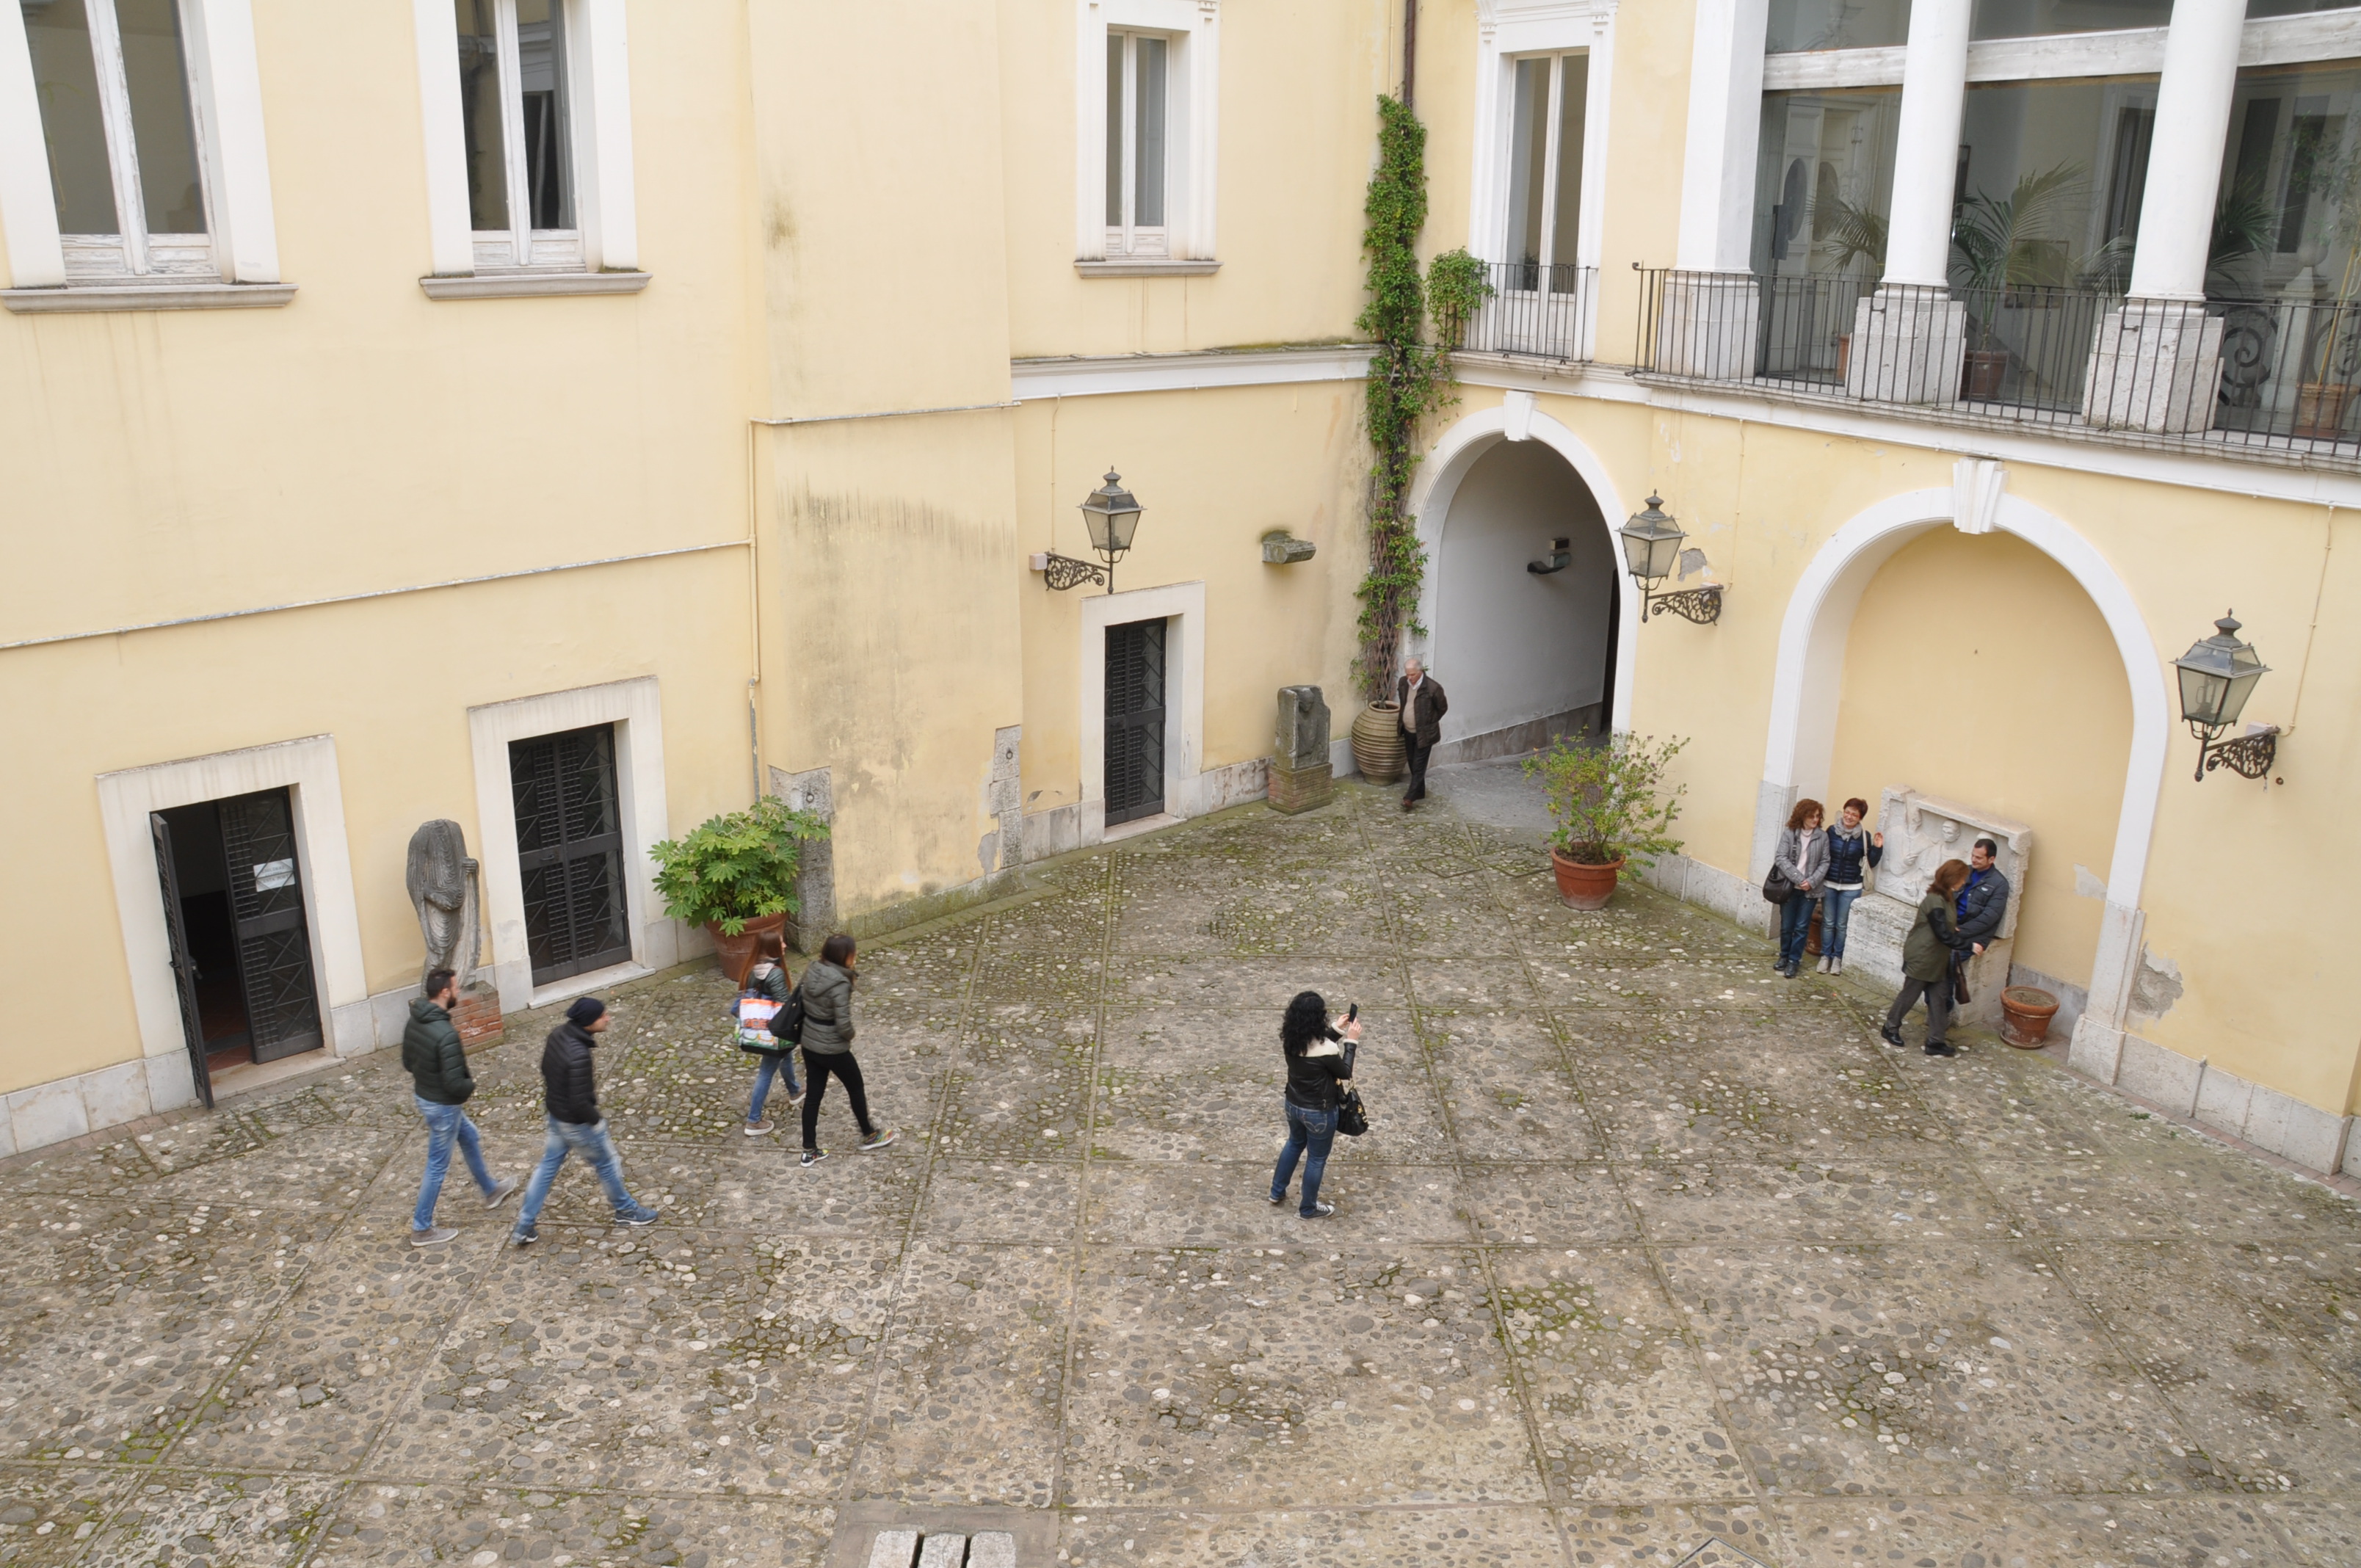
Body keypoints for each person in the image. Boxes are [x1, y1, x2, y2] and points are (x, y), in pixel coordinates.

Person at [510, 996, 660, 1244]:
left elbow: (546, 1070)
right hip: (577, 1124)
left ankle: (525, 1225)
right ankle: (626, 1210)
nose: (608, 1018)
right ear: (589, 1022)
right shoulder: (579, 1054)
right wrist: (596, 1121)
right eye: (603, 1016)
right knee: (607, 1163)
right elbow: (580, 1102)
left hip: (557, 1116)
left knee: (547, 1167)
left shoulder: (558, 1034)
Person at [403, 968, 516, 1246]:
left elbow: (407, 1062)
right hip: (443, 1105)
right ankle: (422, 1228)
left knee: (470, 1136)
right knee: (437, 1166)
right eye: (456, 988)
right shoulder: (446, 1034)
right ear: (445, 992)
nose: (459, 991)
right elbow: (456, 1084)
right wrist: (470, 1086)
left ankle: (491, 1190)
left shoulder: (415, 1020)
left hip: (426, 1097)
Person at [798, 933, 897, 1167]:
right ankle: (869, 1134)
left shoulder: (812, 969)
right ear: (845, 956)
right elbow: (843, 1025)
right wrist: (851, 1035)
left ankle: (809, 1150)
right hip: (833, 1048)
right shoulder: (840, 983)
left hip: (810, 1043)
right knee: (855, 1087)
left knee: (813, 1097)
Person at [1269, 990, 1360, 1219]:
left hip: (1293, 1104)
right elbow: (1344, 1072)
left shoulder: (1291, 1041)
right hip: (1319, 1112)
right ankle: (1308, 1209)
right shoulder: (1327, 1049)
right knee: (1317, 1159)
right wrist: (1351, 1042)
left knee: (1294, 1144)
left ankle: (1276, 1192)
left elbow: (1316, 1049)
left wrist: (1336, 1030)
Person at [1882, 859, 1973, 1057]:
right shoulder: (1935, 900)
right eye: (1962, 878)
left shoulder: (1947, 897)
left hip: (1937, 959)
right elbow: (1942, 933)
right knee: (1910, 994)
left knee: (1939, 998)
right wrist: (1969, 945)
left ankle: (1936, 1041)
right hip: (1923, 957)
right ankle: (1890, 1026)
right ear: (1953, 879)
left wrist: (1953, 929)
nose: (1964, 882)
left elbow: (1944, 926)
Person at [739, 931, 802, 1136]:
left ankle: (795, 1091)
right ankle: (754, 1121)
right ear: (771, 947)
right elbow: (784, 1005)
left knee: (786, 1054)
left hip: (759, 1029)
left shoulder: (752, 967)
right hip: (773, 1030)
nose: (784, 946)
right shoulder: (774, 973)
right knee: (766, 1071)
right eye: (781, 943)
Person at [1816, 798, 1885, 976]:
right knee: (1828, 922)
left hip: (1851, 887)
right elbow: (1822, 854)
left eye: (1854, 814)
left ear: (1860, 818)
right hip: (1830, 883)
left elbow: (1871, 863)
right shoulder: (1832, 831)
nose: (1849, 816)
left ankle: (1837, 957)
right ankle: (1825, 956)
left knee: (1842, 925)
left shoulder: (1864, 836)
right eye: (1847, 812)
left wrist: (1877, 848)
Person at [1771, 799, 1828, 979]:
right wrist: (1799, 878)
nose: (1815, 820)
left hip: (1810, 891)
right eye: (1812, 816)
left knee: (1802, 927)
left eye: (1818, 816)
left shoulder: (1822, 837)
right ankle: (1784, 956)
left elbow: (1825, 862)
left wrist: (1811, 881)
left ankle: (1794, 961)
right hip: (1789, 888)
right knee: (1787, 926)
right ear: (1802, 816)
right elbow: (1781, 858)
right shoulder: (1790, 833)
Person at [1396, 657, 1448, 810]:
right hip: (1408, 731)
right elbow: (1404, 702)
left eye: (1412, 674)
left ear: (1420, 672)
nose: (1409, 677)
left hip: (1425, 734)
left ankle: (1409, 797)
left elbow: (1442, 708)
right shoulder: (1403, 683)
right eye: (1407, 674)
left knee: (1419, 765)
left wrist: (1429, 722)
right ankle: (1420, 791)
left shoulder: (1433, 688)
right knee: (1412, 761)